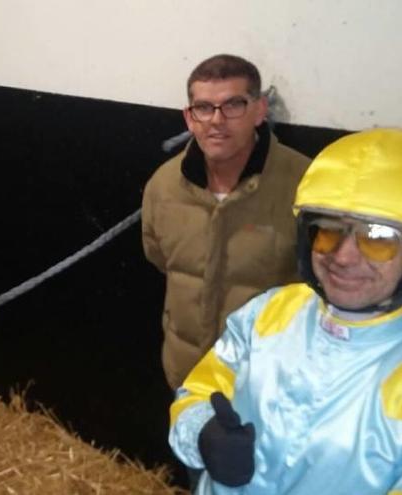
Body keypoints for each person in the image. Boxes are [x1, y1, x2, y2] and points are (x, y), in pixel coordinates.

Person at [168, 127, 402, 494]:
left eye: (377, 238)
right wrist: (203, 433)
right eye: (328, 229)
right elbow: (196, 394)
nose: (342, 256)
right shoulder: (270, 312)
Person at [142, 54, 311, 390]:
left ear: (260, 110)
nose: (216, 121)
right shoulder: (163, 186)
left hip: (266, 382)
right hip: (186, 374)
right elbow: (159, 258)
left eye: (233, 105)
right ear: (189, 118)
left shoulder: (306, 185)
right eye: (203, 108)